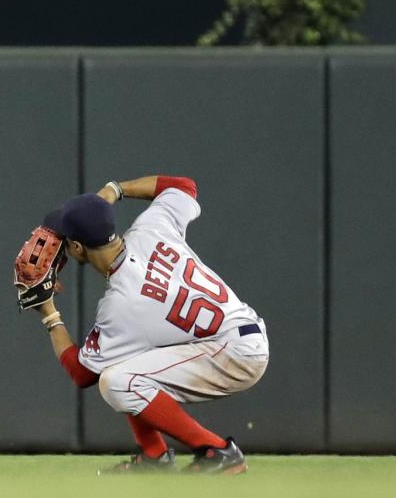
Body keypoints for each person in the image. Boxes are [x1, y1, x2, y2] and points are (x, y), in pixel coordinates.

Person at [31, 175, 268, 474]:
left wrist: (48, 311)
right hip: (239, 332)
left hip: (233, 352)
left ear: (77, 248)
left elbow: (81, 373)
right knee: (125, 362)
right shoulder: (151, 228)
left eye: (64, 241)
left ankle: (217, 451)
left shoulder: (120, 306)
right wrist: (116, 190)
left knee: (116, 382)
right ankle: (155, 457)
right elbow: (184, 187)